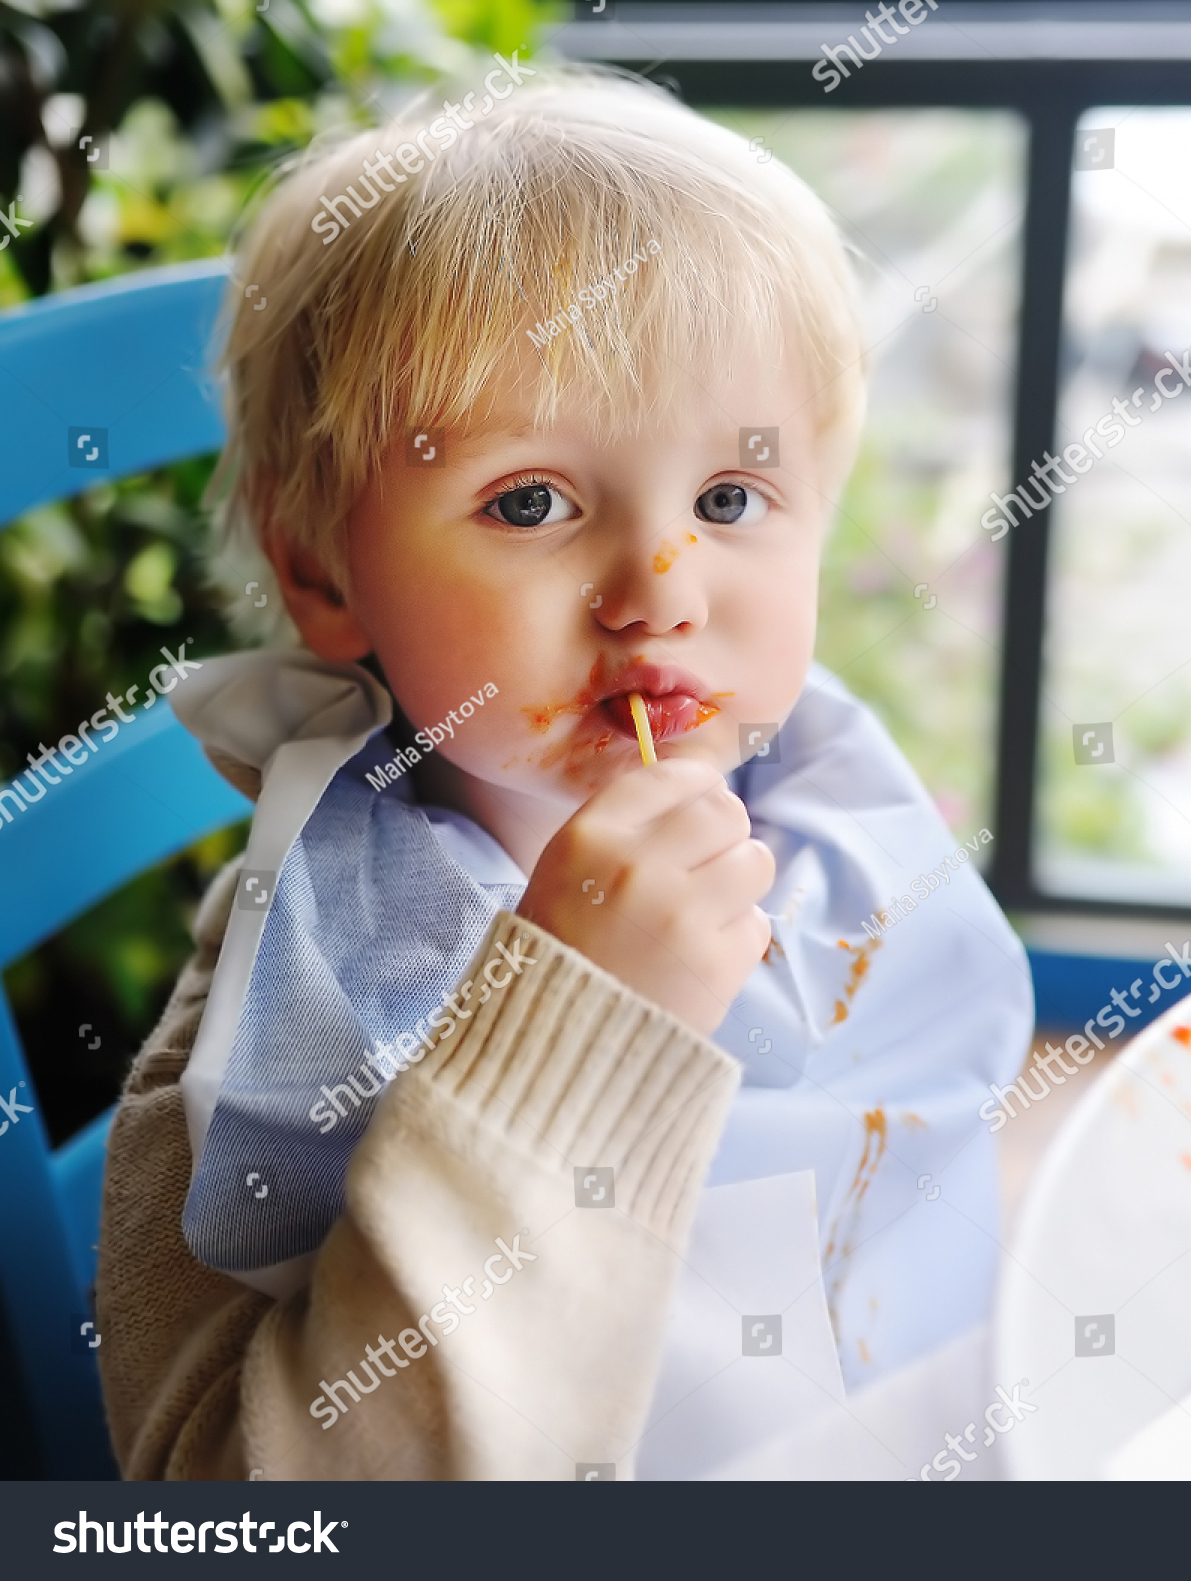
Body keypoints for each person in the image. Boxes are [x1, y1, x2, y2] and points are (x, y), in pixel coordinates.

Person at [96, 63, 1032, 1480]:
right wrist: (579, 1034)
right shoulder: (298, 995)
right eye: (530, 501)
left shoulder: (824, 806)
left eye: (729, 498)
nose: (660, 591)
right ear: (320, 569)